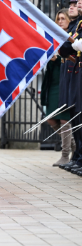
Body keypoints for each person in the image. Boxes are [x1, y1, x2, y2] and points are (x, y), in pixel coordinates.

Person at [42, 9, 73, 166]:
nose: (60, 21)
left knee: (64, 118)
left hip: (66, 81)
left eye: (63, 18)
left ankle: (65, 155)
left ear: (69, 20)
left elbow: (73, 59)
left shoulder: (72, 37)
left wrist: (58, 58)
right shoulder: (54, 38)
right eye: (58, 19)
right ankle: (75, 145)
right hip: (53, 81)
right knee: (50, 118)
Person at [59, 0, 82, 174]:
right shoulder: (77, 25)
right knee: (76, 117)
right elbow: (65, 49)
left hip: (77, 73)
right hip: (75, 74)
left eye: (79, 1)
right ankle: (78, 157)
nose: (77, 4)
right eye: (75, 2)